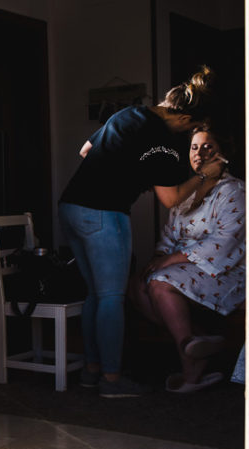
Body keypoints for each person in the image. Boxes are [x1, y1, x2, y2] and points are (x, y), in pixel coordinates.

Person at [58, 66, 226, 398]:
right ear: (184, 119)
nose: (187, 134)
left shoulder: (129, 113)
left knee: (95, 294)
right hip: (104, 212)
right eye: (191, 128)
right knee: (111, 297)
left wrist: (132, 171)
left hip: (71, 206)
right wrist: (207, 175)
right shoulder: (160, 139)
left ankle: (92, 373)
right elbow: (172, 198)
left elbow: (87, 151)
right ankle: (111, 379)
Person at [129, 125, 245, 392]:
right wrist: (160, 256)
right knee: (137, 284)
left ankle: (191, 370)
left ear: (223, 154)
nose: (200, 153)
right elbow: (169, 235)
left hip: (225, 271)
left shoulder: (235, 191)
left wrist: (169, 261)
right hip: (182, 268)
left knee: (159, 282)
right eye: (194, 147)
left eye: (208, 147)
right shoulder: (186, 194)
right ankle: (198, 340)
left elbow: (225, 242)